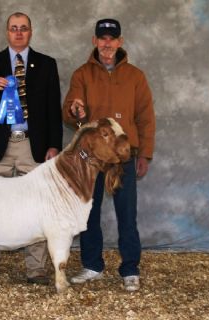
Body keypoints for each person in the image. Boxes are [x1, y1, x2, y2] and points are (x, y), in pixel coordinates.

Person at [0, 12, 63, 285]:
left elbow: (53, 111)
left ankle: (35, 269)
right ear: (7, 32)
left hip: (33, 146)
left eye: (23, 28)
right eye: (14, 28)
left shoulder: (46, 64)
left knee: (35, 207)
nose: (19, 33)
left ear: (31, 32)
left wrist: (54, 145)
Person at [62, 18, 155, 291]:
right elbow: (69, 110)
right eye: (101, 38)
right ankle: (92, 265)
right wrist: (74, 108)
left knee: (127, 214)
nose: (106, 43)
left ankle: (130, 269)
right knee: (88, 214)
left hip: (124, 158)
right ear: (94, 41)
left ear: (120, 42)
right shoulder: (82, 74)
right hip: (91, 160)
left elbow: (146, 118)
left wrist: (145, 154)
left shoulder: (136, 76)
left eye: (111, 38)